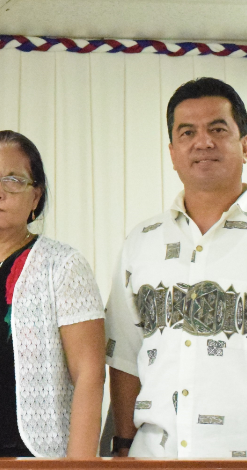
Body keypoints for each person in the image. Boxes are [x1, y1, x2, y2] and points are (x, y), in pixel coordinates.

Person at [106, 77, 247, 458]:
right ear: (172, 151)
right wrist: (121, 445)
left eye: (218, 129)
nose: (203, 142)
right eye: (188, 133)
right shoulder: (142, 240)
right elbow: (124, 355)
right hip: (153, 457)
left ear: (245, 144)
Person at [0, 130, 105, 458]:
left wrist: (79, 466)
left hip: (36, 458)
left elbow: (90, 375)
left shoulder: (62, 266)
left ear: (36, 196)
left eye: (14, 180)